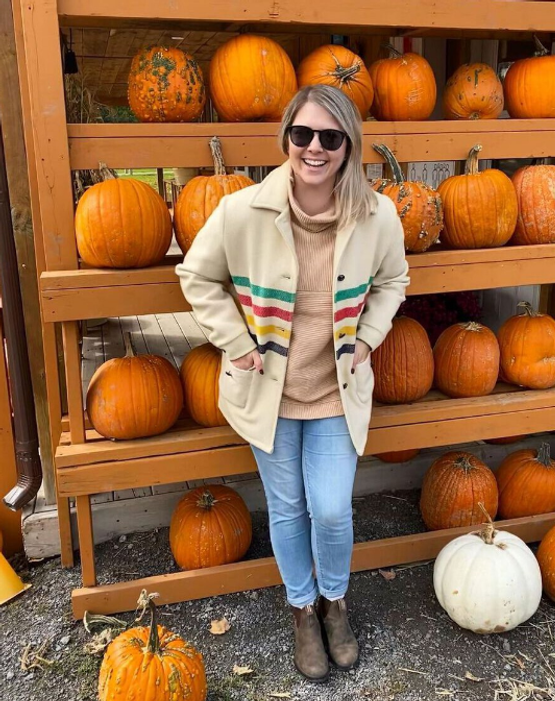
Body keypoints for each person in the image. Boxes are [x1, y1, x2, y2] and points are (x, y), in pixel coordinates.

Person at [176, 84, 410, 682]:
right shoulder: (241, 210)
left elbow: (393, 281)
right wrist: (237, 342)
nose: (314, 148)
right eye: (302, 134)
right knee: (287, 508)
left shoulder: (376, 215)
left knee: (330, 510)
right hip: (268, 393)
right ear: (286, 138)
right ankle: (302, 610)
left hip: (335, 387)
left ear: (348, 147)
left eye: (330, 138)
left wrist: (368, 340)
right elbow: (196, 276)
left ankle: (335, 603)